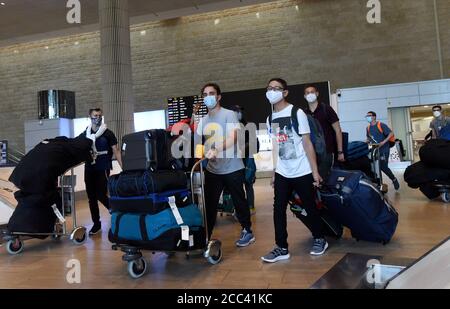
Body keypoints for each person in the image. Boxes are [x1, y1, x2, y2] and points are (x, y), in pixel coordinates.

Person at [261, 78, 327, 263]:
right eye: (269, 88)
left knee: (309, 206)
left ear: (285, 92)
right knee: (278, 209)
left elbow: (307, 143)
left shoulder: (297, 113)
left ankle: (319, 238)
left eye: (276, 88)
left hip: (302, 169)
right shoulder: (269, 118)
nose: (272, 91)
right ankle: (281, 247)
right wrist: (274, 171)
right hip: (283, 171)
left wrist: (315, 172)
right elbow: (275, 145)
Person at [194, 83, 255, 247]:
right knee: (209, 204)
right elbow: (199, 142)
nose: (208, 97)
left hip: (232, 167)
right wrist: (197, 155)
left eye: (211, 93)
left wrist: (216, 149)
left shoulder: (229, 115)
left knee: (238, 200)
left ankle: (247, 230)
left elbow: (233, 137)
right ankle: (206, 236)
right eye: (205, 94)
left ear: (219, 97)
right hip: (213, 169)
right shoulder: (203, 121)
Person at [79, 108, 122, 235]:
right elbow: (78, 147)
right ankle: (96, 224)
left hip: (103, 167)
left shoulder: (108, 133)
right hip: (89, 168)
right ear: (90, 117)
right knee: (91, 198)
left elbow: (116, 151)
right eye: (94, 115)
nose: (97, 118)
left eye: (99, 115)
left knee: (100, 194)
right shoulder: (85, 134)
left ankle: (114, 209)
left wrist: (125, 169)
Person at [304, 85, 345, 178]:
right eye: (307, 92)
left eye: (312, 92)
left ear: (317, 94)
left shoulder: (327, 109)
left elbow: (338, 130)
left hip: (327, 152)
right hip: (311, 153)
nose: (310, 94)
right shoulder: (304, 113)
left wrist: (340, 152)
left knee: (324, 178)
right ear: (304, 96)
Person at [230, 105, 259, 214]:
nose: (239, 113)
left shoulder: (248, 125)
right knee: (237, 185)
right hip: (235, 159)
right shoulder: (229, 126)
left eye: (240, 111)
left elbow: (252, 142)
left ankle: (251, 206)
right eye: (236, 111)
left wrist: (242, 148)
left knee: (248, 183)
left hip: (247, 158)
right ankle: (239, 207)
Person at [365, 111, 400, 191]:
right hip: (375, 150)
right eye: (367, 116)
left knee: (383, 166)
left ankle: (393, 179)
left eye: (369, 116)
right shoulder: (368, 128)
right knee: (376, 167)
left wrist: (383, 142)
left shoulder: (381, 125)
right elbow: (369, 138)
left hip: (384, 148)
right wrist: (365, 142)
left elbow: (391, 133)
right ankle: (380, 184)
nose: (367, 117)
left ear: (374, 117)